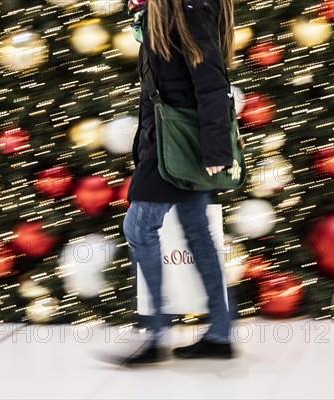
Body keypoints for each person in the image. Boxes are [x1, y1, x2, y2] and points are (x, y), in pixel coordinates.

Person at [121, 0, 237, 365]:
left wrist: (217, 150)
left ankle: (156, 335)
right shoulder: (159, 10)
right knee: (196, 233)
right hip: (170, 140)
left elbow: (212, 81)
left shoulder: (191, 7)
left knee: (139, 227)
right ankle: (219, 334)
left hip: (180, 145)